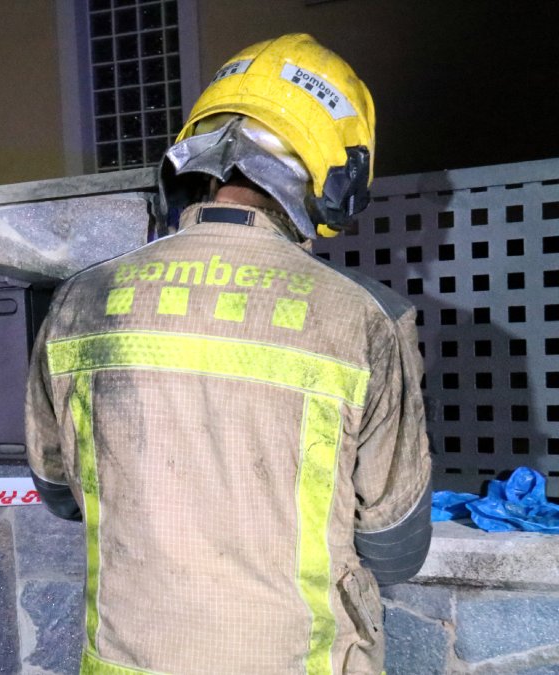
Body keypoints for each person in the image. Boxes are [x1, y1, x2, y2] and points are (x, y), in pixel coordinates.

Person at [25, 33, 432, 675]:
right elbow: (395, 549)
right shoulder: (364, 318)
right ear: (336, 173)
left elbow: (59, 492)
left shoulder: (81, 299)